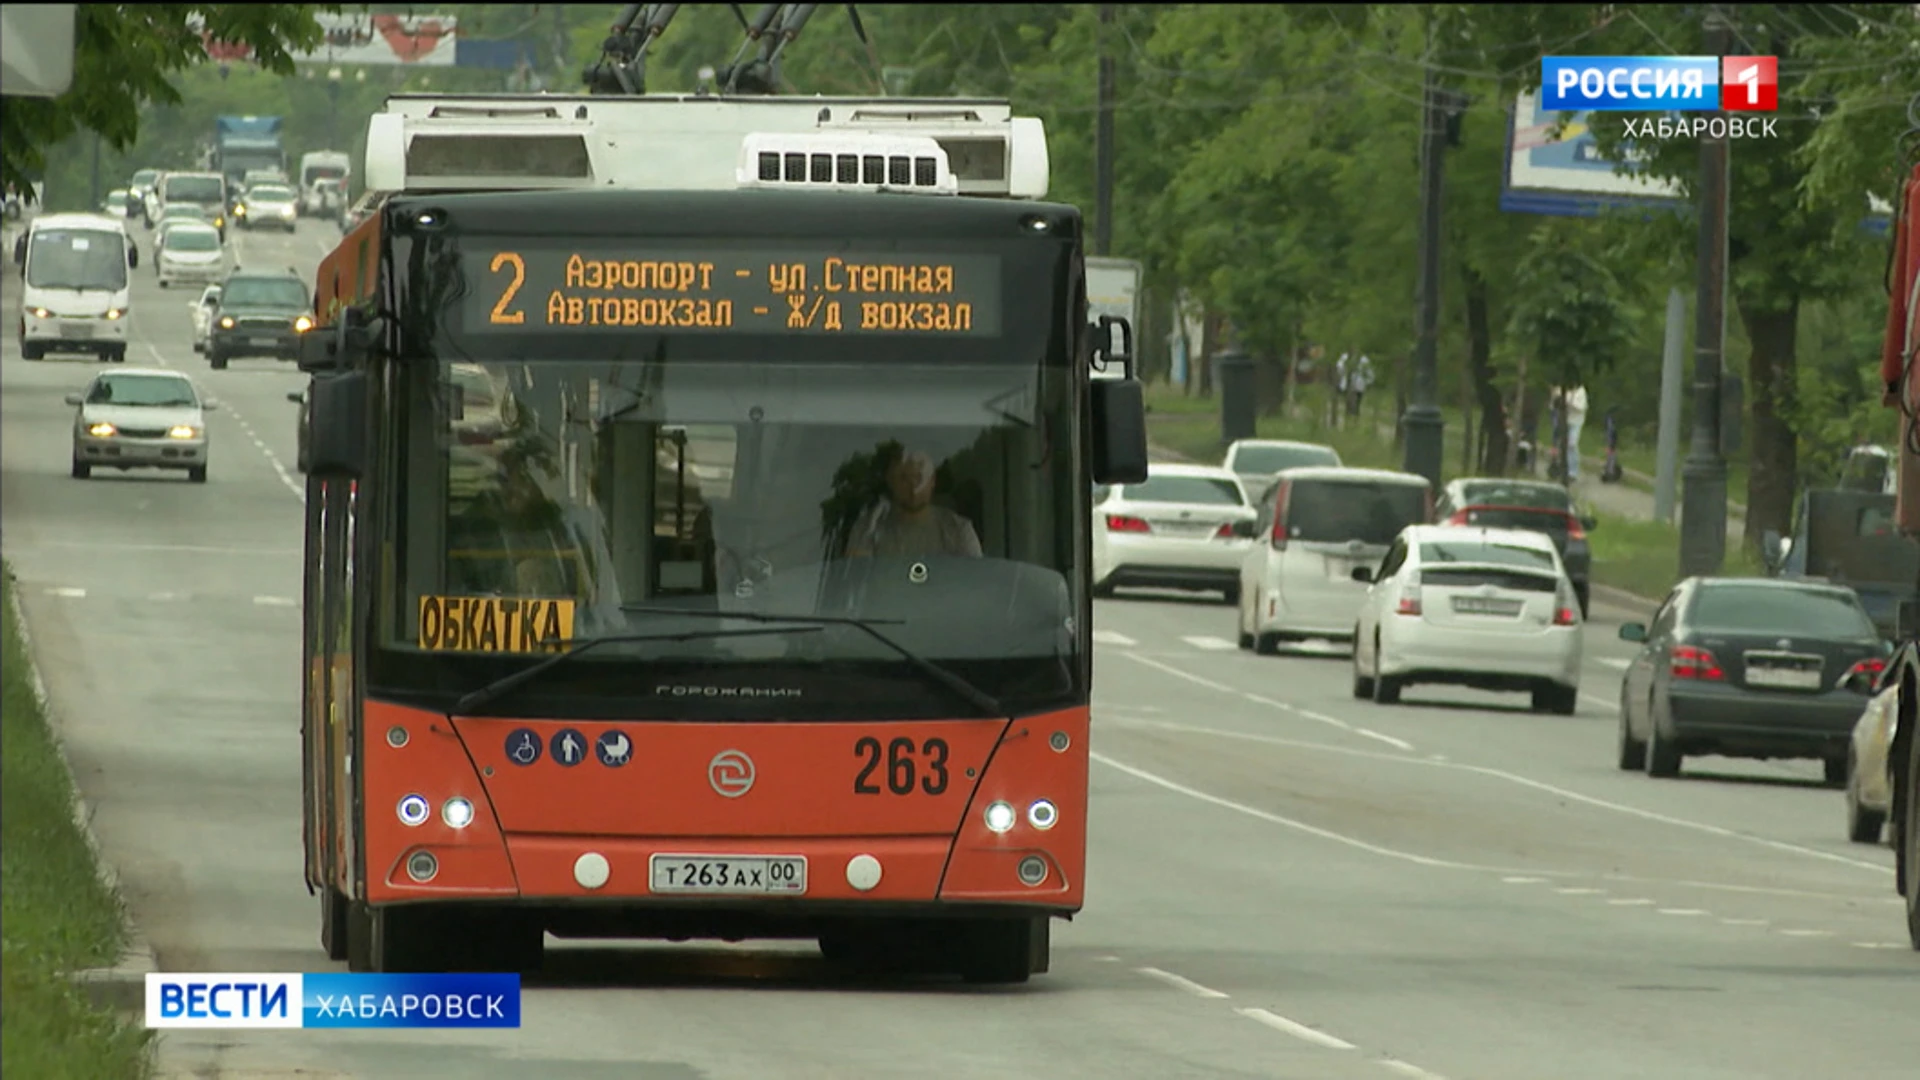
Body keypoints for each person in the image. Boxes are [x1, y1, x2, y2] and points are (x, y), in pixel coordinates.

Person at [843, 449, 983, 559]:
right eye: (904, 478)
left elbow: (973, 583)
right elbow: (857, 582)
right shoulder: (868, 530)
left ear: (932, 481)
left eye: (919, 477)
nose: (913, 487)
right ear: (891, 481)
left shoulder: (958, 530)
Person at [1552, 383, 1589, 481]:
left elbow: (1581, 407)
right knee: (1562, 445)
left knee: (1572, 444)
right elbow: (1553, 406)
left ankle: (1573, 471)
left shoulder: (1580, 392)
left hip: (1576, 422)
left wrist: (1568, 402)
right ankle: (1562, 468)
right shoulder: (1562, 390)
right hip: (1564, 421)